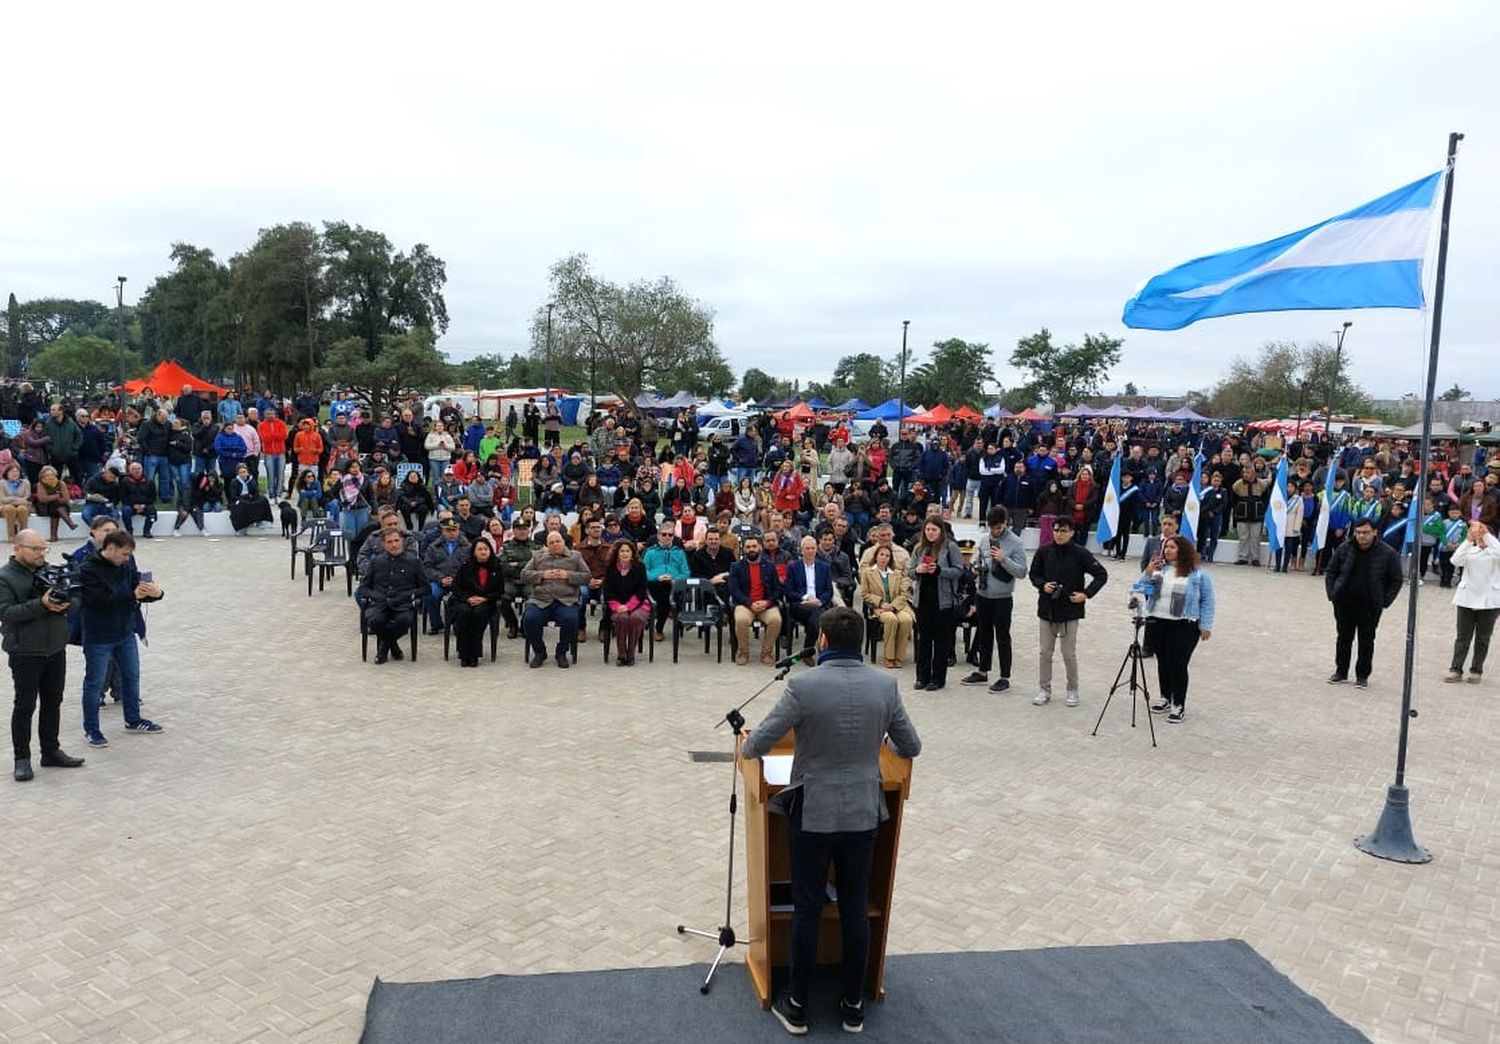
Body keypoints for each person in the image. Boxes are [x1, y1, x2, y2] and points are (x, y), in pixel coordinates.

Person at [740, 607, 922, 1036]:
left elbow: (756, 747)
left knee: (807, 909)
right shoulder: (885, 684)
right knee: (856, 908)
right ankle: (854, 1004)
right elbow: (910, 746)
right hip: (863, 814)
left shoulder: (803, 686)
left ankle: (799, 1005)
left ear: (822, 641)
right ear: (860, 642)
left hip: (814, 814)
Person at [0, 530, 86, 780]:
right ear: (17, 548)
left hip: (55, 648)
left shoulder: (49, 570)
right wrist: (42, 605)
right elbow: (6, 613)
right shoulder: (5, 578)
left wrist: (68, 602)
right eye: (35, 549)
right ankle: (22, 759)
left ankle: (50, 751)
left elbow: (76, 598)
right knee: (25, 706)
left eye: (43, 549)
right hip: (25, 651)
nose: (41, 554)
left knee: (53, 702)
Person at [78, 530, 165, 745]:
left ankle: (133, 719)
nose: (128, 559)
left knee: (131, 677)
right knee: (94, 683)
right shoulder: (88, 569)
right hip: (99, 635)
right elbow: (102, 601)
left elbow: (136, 592)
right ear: (110, 548)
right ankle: (92, 729)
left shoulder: (126, 567)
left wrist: (155, 594)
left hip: (125, 631)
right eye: (124, 554)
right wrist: (133, 595)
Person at [1132, 534, 1215, 723]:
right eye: (1166, 547)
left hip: (1184, 624)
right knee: (1162, 661)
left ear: (1182, 550)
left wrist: (1206, 625)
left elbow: (1207, 601)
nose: (1167, 550)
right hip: (1158, 621)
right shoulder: (1159, 570)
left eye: (1172, 547)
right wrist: (1147, 573)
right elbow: (1139, 588)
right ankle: (1165, 697)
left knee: (1177, 664)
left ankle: (1178, 704)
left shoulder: (1197, 575)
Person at [1028, 517, 1108, 707]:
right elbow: (1033, 574)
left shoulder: (1080, 553)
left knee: (1068, 653)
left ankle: (1072, 689)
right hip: (1047, 609)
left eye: (1063, 531)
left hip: (1070, 611)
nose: (1058, 534)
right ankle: (1044, 689)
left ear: (1071, 532)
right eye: (1056, 530)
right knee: (1045, 652)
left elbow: (1101, 574)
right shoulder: (1043, 551)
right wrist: (1042, 585)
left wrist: (1086, 594)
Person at [1324, 517, 1404, 688]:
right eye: (1358, 532)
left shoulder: (1387, 553)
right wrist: (1332, 594)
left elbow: (1396, 579)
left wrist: (1385, 600)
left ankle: (1362, 676)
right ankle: (1341, 672)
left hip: (1370, 606)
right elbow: (1331, 570)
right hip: (1344, 603)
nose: (1361, 536)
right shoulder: (1345, 548)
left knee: (1366, 641)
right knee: (1344, 638)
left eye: (1366, 532)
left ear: (1375, 532)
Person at [961, 506, 1028, 693]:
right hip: (983, 595)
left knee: (1003, 637)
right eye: (992, 528)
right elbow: (978, 562)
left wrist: (1004, 559)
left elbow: (1022, 572)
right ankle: (983, 671)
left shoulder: (1016, 543)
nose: (995, 532)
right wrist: (975, 568)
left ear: (1005, 523)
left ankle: (1004, 677)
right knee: (984, 634)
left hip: (1003, 597)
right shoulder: (984, 540)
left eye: (998, 528)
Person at [906, 518, 965, 691]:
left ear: (941, 531)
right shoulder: (919, 548)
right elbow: (910, 572)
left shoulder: (950, 547)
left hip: (943, 602)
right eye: (928, 529)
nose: (930, 533)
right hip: (922, 600)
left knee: (940, 641)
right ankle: (921, 677)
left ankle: (938, 678)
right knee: (924, 640)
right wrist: (917, 570)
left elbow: (959, 570)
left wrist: (940, 570)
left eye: (934, 530)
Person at [520, 530, 590, 669]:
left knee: (570, 620)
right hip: (540, 599)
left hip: (566, 600)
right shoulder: (537, 556)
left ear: (563, 542)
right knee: (529, 619)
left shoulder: (575, 557)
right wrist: (542, 575)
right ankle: (540, 652)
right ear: (547, 545)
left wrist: (568, 575)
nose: (555, 544)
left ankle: (561, 652)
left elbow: (587, 576)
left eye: (558, 541)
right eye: (551, 542)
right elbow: (524, 575)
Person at [356, 527, 424, 665]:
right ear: (383, 544)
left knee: (404, 621)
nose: (394, 545)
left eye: (396, 541)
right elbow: (363, 588)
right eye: (390, 542)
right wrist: (376, 596)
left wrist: (407, 595)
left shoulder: (413, 562)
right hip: (380, 604)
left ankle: (384, 649)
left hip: (403, 604)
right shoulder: (376, 562)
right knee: (375, 621)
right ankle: (393, 646)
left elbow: (425, 588)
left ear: (402, 541)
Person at [1445, 520, 1500, 684]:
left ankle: (1476, 670)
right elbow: (1455, 560)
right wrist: (1468, 540)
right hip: (1467, 598)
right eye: (1478, 535)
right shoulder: (1470, 551)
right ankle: (1456, 669)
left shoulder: (1495, 552)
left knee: (1483, 638)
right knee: (1462, 636)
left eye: (1481, 534)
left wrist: (1487, 536)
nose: (1479, 538)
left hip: (1489, 601)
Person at [448, 537, 504, 668]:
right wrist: (468, 598)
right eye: (480, 549)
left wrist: (484, 599)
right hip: (466, 600)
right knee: (463, 613)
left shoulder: (497, 567)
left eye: (486, 549)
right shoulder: (465, 567)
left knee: (479, 614)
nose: (483, 552)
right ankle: (463, 653)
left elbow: (499, 590)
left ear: (490, 551)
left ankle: (475, 653)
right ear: (474, 552)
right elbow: (456, 587)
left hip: (487, 601)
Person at [728, 534, 784, 666]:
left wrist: (767, 602)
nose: (751, 549)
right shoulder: (736, 567)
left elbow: (777, 590)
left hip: (766, 604)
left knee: (776, 620)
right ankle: (743, 653)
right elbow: (734, 591)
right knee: (741, 620)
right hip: (745, 604)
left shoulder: (770, 566)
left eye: (754, 546)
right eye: (748, 547)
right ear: (744, 550)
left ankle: (767, 653)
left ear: (760, 547)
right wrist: (749, 603)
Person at [859, 543, 914, 669]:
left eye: (887, 556)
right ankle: (889, 656)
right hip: (880, 607)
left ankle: (899, 656)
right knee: (891, 619)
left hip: (897, 606)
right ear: (876, 556)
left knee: (906, 620)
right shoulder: (868, 573)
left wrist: (893, 606)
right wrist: (880, 602)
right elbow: (864, 593)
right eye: (882, 555)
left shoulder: (896, 573)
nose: (884, 558)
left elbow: (903, 594)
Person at [785, 535, 833, 662]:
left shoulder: (824, 567)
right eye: (807, 548)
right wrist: (806, 597)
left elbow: (829, 591)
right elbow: (789, 591)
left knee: (815, 615)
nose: (810, 551)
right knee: (817, 614)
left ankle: (807, 651)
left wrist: (819, 600)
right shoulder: (793, 567)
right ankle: (822, 649)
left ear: (816, 549)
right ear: (801, 551)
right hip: (800, 604)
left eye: (813, 548)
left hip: (819, 604)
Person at [602, 540, 651, 666]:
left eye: (628, 551)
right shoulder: (611, 568)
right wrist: (618, 606)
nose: (625, 553)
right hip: (616, 606)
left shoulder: (640, 567)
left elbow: (642, 591)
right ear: (617, 553)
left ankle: (631, 654)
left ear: (632, 553)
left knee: (635, 618)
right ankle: (621, 654)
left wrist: (629, 606)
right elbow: (608, 591)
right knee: (621, 618)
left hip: (639, 604)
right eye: (622, 551)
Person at [641, 523, 691, 641]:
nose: (667, 537)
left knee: (669, 590)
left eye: (670, 535)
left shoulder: (679, 552)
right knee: (663, 589)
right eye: (664, 534)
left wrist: (674, 579)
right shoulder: (650, 552)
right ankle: (659, 627)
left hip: (674, 584)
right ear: (658, 536)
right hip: (654, 584)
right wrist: (657, 577)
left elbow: (686, 572)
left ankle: (657, 624)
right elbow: (643, 571)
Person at [0, 463, 32, 541]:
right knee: (9, 508)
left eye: (16, 471)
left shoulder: (26, 483)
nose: (14, 473)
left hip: (23, 506)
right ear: (7, 473)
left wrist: (11, 499)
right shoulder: (2, 483)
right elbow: (3, 499)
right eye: (11, 472)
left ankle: (23, 534)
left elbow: (26, 498)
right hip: (5, 507)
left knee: (22, 509)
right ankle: (11, 535)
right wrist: (18, 499)